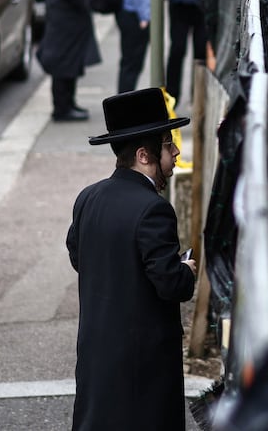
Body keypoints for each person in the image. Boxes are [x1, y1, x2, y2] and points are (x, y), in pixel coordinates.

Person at [66, 88, 198, 431]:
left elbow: (79, 256)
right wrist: (186, 269)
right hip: (143, 365)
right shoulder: (154, 209)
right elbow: (172, 285)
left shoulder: (87, 197)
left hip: (96, 355)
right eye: (168, 145)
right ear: (144, 154)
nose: (176, 151)